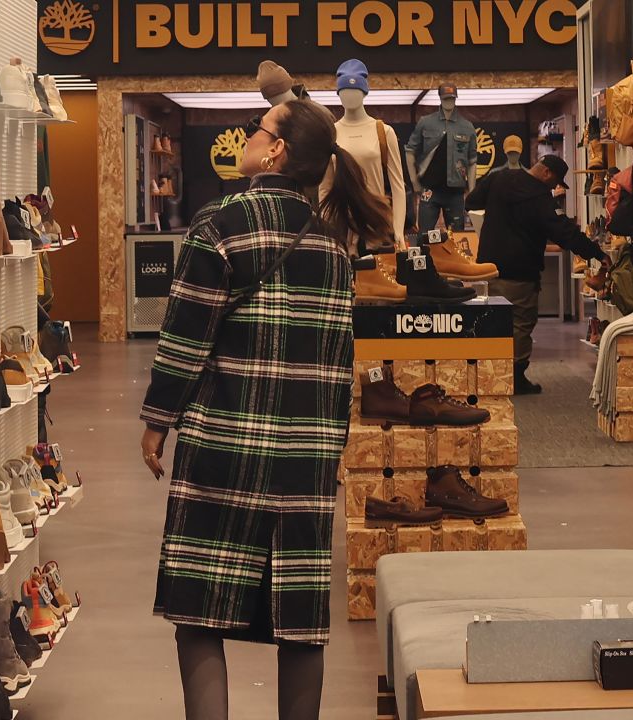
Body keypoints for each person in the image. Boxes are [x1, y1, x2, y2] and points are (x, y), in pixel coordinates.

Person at [138, 99, 391, 720]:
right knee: (299, 621)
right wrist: (332, 450)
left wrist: (156, 423)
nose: (250, 137)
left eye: (258, 129)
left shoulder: (220, 226)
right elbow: (338, 366)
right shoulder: (333, 246)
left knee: (200, 613)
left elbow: (185, 340)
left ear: (274, 150)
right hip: (302, 458)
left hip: (224, 446)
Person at [466, 155, 608, 394]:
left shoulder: (498, 178)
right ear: (547, 173)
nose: (555, 187)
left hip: (488, 268)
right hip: (520, 271)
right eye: (556, 182)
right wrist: (596, 252)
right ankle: (516, 378)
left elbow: (471, 201)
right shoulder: (540, 197)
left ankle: (489, 374)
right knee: (521, 323)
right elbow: (563, 232)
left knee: (493, 321)